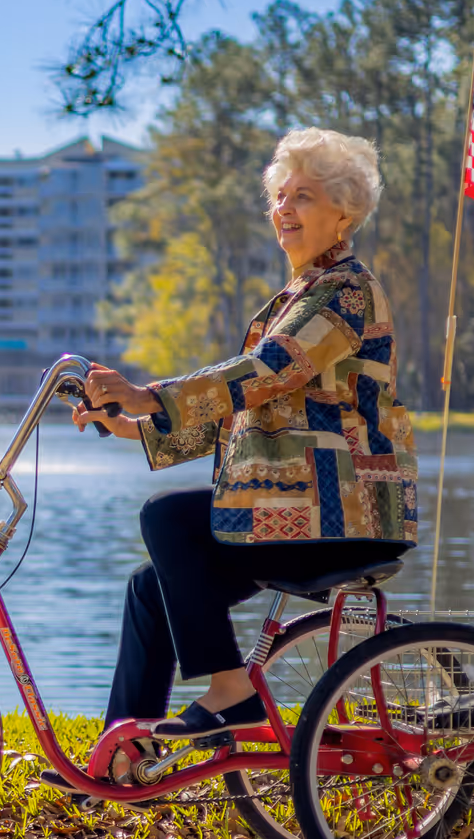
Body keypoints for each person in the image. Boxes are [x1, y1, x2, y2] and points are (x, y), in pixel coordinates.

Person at [43, 127, 419, 791]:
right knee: (149, 585)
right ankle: (121, 759)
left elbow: (265, 373)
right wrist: (130, 421)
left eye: (303, 196)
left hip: (344, 515)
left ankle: (230, 692)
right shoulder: (295, 299)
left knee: (169, 519)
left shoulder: (345, 293)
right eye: (279, 196)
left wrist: (147, 394)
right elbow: (244, 415)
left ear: (344, 211)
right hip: (297, 511)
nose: (285, 209)